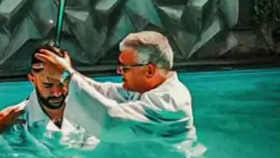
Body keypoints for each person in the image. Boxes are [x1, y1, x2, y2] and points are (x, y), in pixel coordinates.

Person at [34, 31, 196, 146]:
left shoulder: (169, 102)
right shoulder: (145, 88)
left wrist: (66, 75)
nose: (119, 72)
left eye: (125, 68)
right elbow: (101, 91)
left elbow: (110, 123)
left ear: (149, 70)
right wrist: (68, 71)